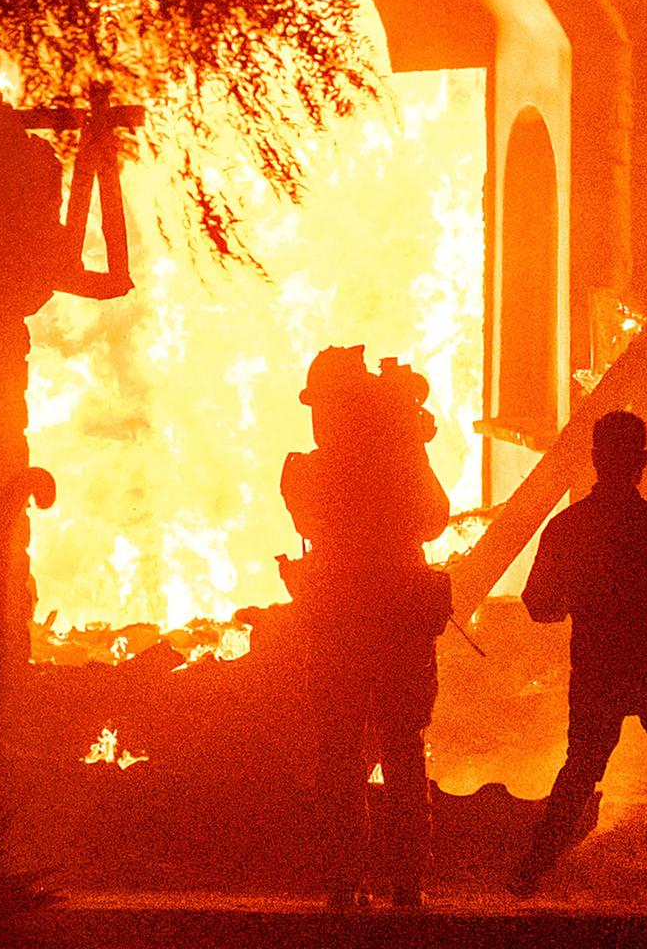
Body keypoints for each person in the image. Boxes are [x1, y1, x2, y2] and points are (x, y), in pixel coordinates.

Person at [510, 411, 647, 906]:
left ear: (596, 459)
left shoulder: (567, 528)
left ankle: (530, 870)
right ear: (641, 461)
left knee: (581, 768)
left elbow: (539, 605)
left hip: (596, 666)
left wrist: (576, 598)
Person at [282, 346, 454, 911]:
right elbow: (433, 517)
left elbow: (307, 516)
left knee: (339, 752)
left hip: (339, 620)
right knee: (404, 749)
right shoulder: (398, 461)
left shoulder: (319, 468)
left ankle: (343, 878)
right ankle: (406, 880)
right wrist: (409, 445)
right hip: (398, 617)